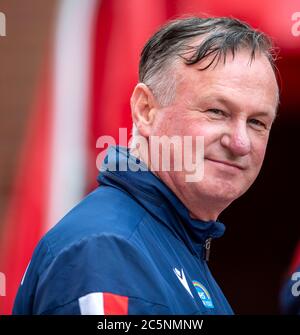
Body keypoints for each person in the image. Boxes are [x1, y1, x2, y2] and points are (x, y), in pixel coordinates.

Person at [13, 16, 279, 315]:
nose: (241, 142)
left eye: (257, 122)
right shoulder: (108, 252)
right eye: (217, 111)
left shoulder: (171, 241)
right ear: (145, 110)